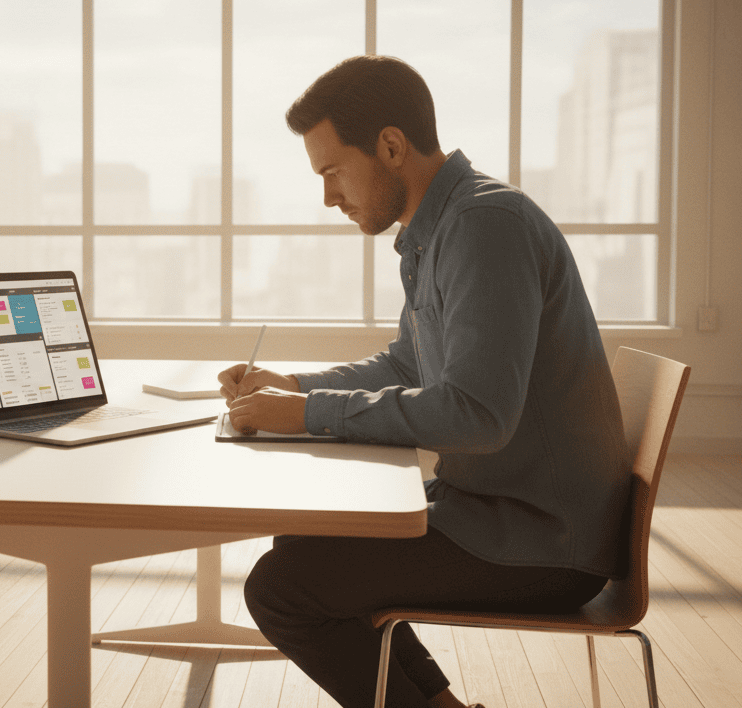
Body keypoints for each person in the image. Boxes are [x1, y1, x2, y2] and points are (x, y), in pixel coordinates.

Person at [216, 55, 632, 708]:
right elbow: (407, 366)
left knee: (280, 589)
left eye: (332, 172)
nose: (328, 197)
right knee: (300, 537)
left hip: (543, 542)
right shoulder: (439, 231)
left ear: (390, 146)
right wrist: (293, 387)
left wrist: (311, 412)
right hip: (500, 512)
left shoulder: (485, 225)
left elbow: (478, 416)